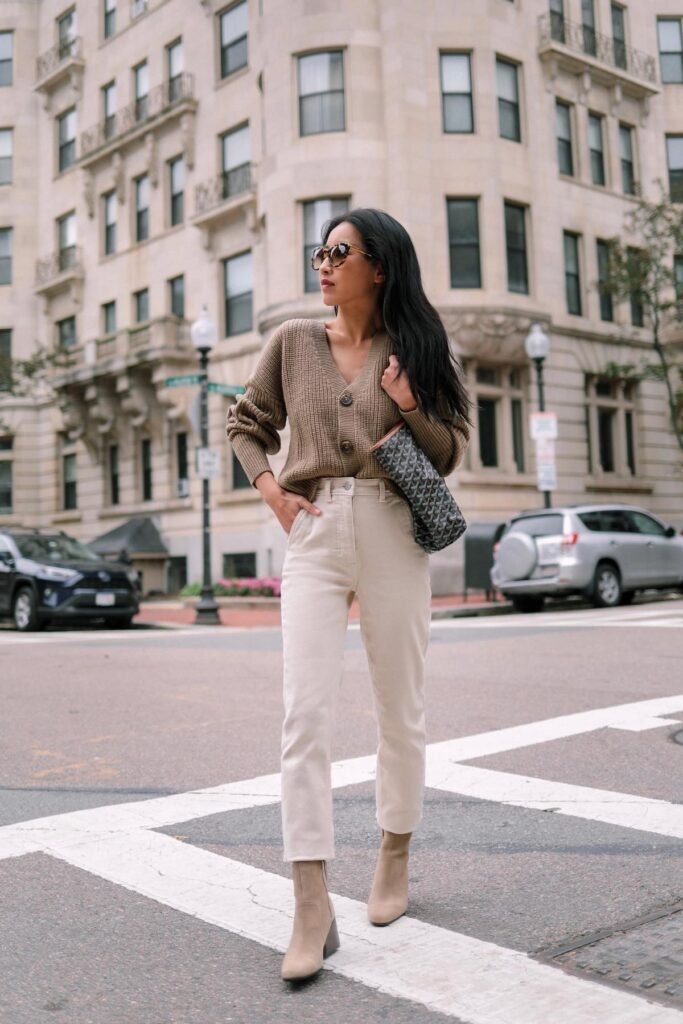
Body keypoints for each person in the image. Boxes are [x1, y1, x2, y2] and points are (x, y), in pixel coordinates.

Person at [226, 208, 470, 982]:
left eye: (340, 251)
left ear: (379, 268)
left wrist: (403, 404)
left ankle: (392, 855)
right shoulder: (292, 343)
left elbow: (449, 452)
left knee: (401, 706)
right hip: (316, 528)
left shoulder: (416, 350)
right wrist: (271, 491)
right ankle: (309, 901)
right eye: (319, 251)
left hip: (395, 528)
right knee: (304, 714)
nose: (323, 263)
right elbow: (244, 423)